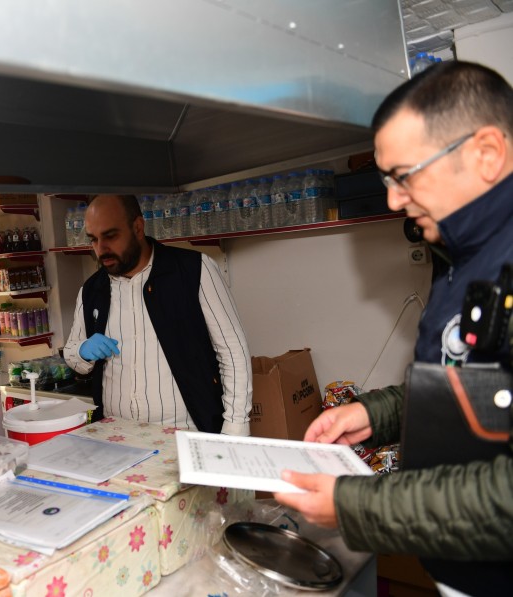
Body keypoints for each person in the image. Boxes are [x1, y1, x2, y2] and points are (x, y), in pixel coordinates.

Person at [274, 61, 513, 596]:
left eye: (405, 175)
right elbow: (477, 387)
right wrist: (374, 414)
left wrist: (353, 506)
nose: (393, 200)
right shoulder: (460, 255)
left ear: (487, 154)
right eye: (388, 180)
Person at [62, 194, 251, 434]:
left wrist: (235, 425)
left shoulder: (194, 270)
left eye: (110, 236)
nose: (101, 249)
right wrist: (82, 350)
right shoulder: (91, 290)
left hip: (186, 433)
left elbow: (233, 351)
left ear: (138, 227)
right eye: (93, 239)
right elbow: (73, 354)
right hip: (116, 435)